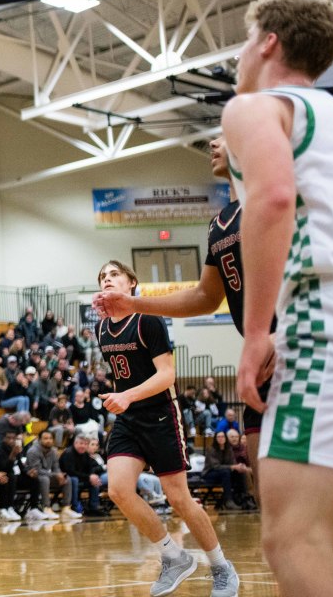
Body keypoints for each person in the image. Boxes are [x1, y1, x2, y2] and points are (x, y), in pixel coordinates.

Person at [221, 0, 333, 597]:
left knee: (294, 537)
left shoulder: (254, 107)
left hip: (327, 325)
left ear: (268, 42)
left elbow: (273, 199)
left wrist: (257, 330)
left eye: (246, 41)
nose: (241, 57)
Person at [94, 135, 275, 496]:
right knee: (266, 494)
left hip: (298, 347)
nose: (213, 142)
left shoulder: (275, 201)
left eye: (227, 135)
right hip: (260, 363)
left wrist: (280, 334)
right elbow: (205, 297)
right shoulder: (218, 223)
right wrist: (134, 304)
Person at [95, 260, 239, 597]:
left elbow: (166, 376)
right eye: (102, 276)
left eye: (114, 274)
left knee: (178, 498)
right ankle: (173, 556)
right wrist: (121, 398)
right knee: (117, 489)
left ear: (132, 282)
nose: (107, 279)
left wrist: (126, 395)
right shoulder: (102, 328)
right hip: (130, 418)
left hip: (161, 415)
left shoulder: (148, 320)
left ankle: (221, 566)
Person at [59, 433, 106, 516]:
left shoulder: (85, 454)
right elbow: (70, 472)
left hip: (81, 478)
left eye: (85, 444)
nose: (83, 446)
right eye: (81, 443)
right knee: (74, 480)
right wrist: (89, 477)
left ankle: (93, 508)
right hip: (67, 480)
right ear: (75, 443)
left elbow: (90, 468)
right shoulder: (68, 453)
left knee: (95, 481)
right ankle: (75, 506)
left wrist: (92, 476)